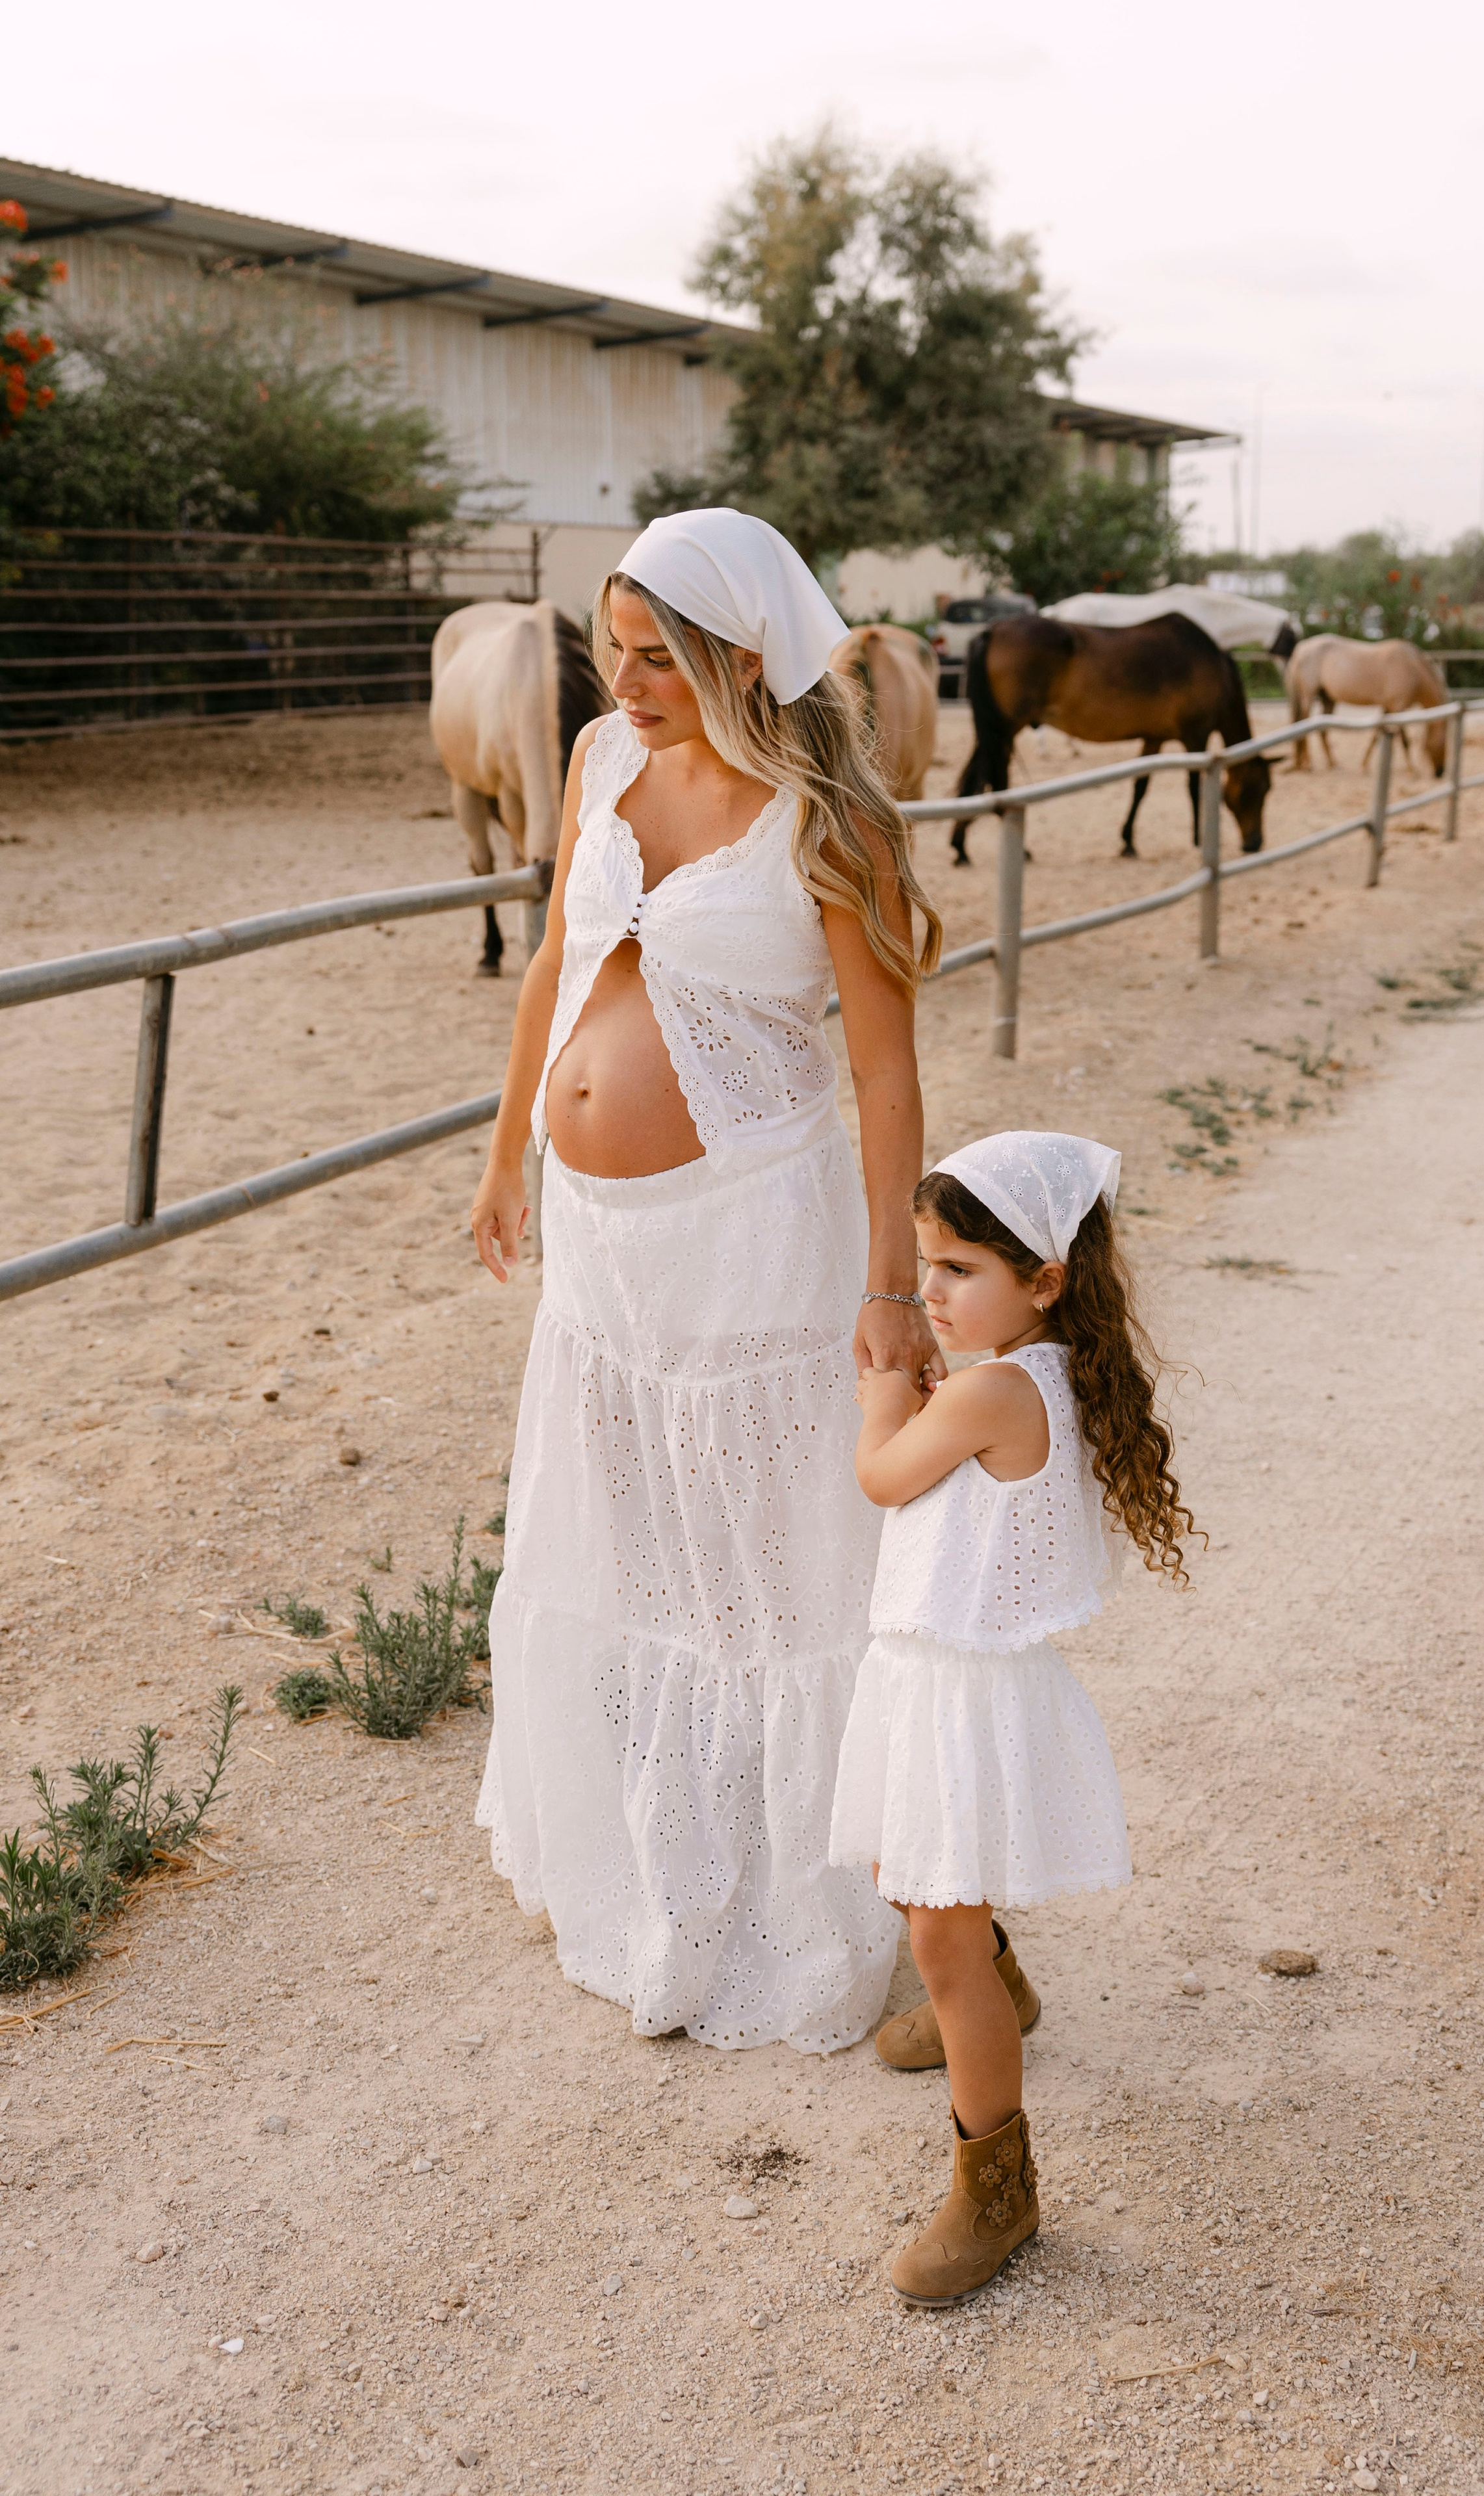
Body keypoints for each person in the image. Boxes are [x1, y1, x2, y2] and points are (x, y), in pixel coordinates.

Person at [468, 507, 944, 2053]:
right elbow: (557, 961)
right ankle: (656, 1875)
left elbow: (883, 1078)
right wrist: (498, 1160)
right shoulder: (604, 767)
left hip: (756, 1234)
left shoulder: (825, 818)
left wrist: (889, 1290)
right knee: (629, 1544)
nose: (622, 679)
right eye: (612, 646)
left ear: (743, 655)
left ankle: (821, 1908)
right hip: (603, 1253)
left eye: (656, 655)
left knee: (771, 1561)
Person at [829, 1130, 1195, 2302]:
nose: (930, 1294)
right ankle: (998, 1987)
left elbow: (883, 1476)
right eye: (926, 1267)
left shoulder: (990, 1387)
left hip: (960, 1693)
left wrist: (884, 1382)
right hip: (936, 1679)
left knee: (932, 1930)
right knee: (915, 1879)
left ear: (1044, 1281)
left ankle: (997, 2190)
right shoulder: (1033, 1367)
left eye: (960, 1272)